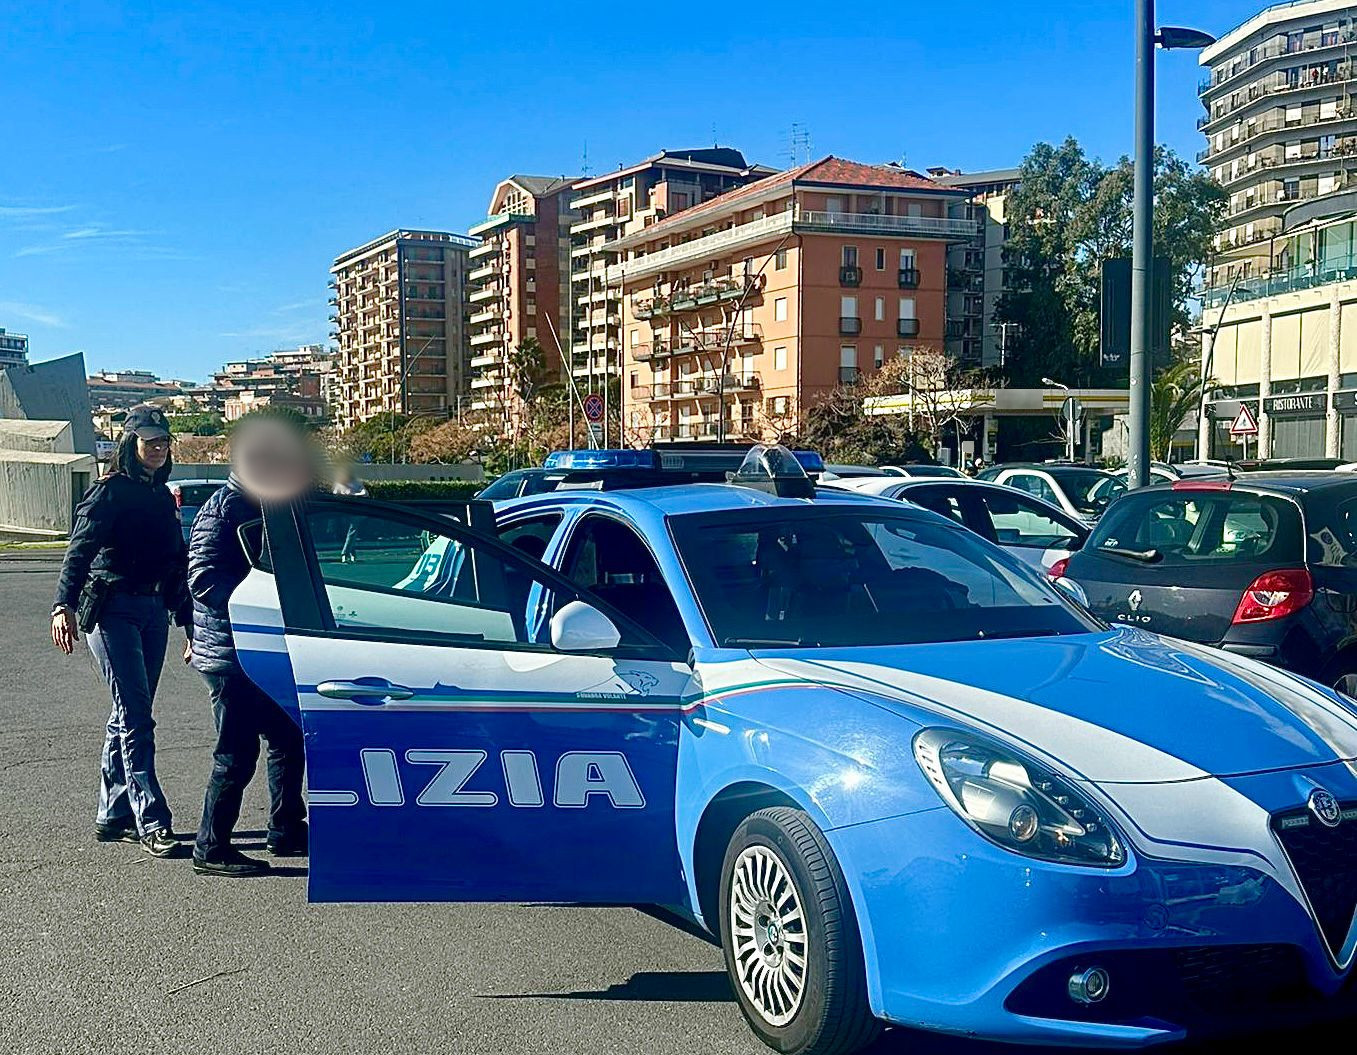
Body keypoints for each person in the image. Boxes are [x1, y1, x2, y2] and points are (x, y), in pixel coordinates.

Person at [50, 404, 190, 858]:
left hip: (153, 611)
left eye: (163, 441)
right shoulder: (108, 493)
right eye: (149, 441)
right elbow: (79, 551)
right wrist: (61, 605)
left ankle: (112, 815)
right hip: (113, 612)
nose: (157, 448)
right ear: (129, 444)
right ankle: (151, 818)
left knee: (129, 712)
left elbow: (175, 568)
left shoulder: (161, 496)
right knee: (136, 716)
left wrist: (189, 624)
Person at [188, 472, 307, 877]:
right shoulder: (223, 507)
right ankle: (211, 846)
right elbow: (201, 578)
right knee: (235, 755)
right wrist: (253, 606)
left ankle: (286, 828)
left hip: (262, 647)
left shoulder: (270, 501)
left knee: (288, 738)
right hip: (229, 651)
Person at [332, 464, 367, 563]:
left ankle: (345, 553)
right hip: (342, 510)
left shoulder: (356, 483)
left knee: (352, 530)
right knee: (347, 533)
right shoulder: (339, 484)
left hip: (355, 510)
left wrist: (352, 495)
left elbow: (365, 493)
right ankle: (352, 553)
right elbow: (335, 494)